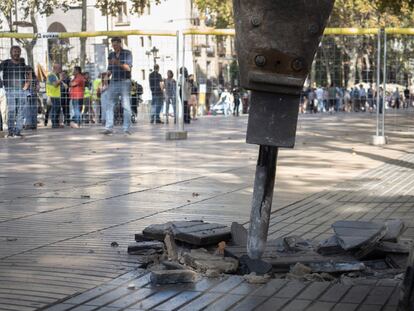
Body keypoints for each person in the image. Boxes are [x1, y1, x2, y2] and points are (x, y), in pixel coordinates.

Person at [102, 37, 133, 135]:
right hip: (114, 82)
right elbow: (110, 70)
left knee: (126, 106)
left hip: (125, 82)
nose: (114, 47)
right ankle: (108, 128)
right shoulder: (111, 55)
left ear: (120, 44)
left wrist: (117, 63)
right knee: (109, 105)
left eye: (116, 45)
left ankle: (126, 129)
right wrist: (105, 75)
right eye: (113, 45)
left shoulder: (127, 53)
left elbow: (128, 68)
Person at [0, 46, 30, 137]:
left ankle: (17, 131)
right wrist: (1, 83)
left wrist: (27, 83)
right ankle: (11, 131)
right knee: (12, 111)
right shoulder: (5, 63)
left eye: (18, 51)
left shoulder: (22, 63)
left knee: (21, 112)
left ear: (20, 53)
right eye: (14, 51)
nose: (16, 53)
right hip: (9, 90)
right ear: (10, 53)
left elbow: (29, 73)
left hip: (21, 90)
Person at [46, 63, 63, 128]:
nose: (60, 70)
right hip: (53, 95)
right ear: (55, 68)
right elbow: (55, 84)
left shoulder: (55, 75)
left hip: (55, 95)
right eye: (59, 68)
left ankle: (56, 123)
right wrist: (61, 79)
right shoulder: (51, 75)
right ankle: (54, 124)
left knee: (57, 109)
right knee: (55, 109)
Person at [24, 66, 40, 130]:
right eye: (28, 71)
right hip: (27, 95)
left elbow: (38, 87)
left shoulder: (34, 78)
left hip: (33, 95)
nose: (28, 72)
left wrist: (37, 88)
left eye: (29, 71)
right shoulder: (25, 78)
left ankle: (33, 124)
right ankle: (29, 124)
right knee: (28, 110)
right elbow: (25, 87)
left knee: (33, 110)